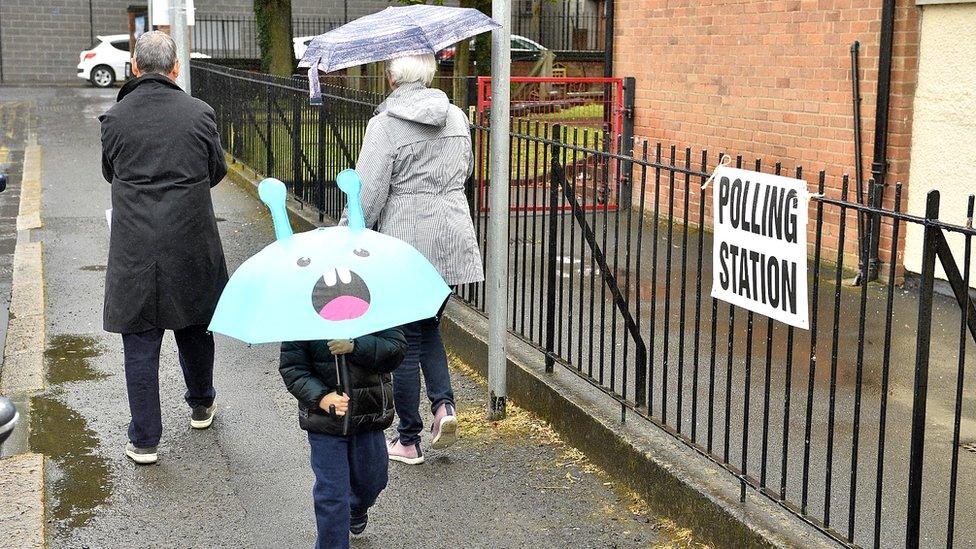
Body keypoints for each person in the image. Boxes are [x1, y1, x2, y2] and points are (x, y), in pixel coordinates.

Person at [341, 53, 484, 465]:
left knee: (401, 342)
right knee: (429, 328)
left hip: (406, 243)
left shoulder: (384, 126)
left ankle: (408, 439)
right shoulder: (456, 116)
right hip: (451, 236)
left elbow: (366, 194)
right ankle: (444, 408)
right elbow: (466, 169)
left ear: (390, 77)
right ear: (430, 74)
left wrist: (346, 232)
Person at [100, 31, 228, 465]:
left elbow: (109, 172)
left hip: (135, 244)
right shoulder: (200, 114)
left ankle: (145, 439)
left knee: (139, 339)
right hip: (190, 237)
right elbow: (216, 170)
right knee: (195, 326)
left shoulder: (115, 118)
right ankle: (201, 403)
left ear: (134, 67)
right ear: (175, 69)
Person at [279, 331, 406, 548]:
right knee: (332, 496)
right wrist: (321, 398)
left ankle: (356, 507)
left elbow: (395, 351)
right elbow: (293, 369)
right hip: (325, 424)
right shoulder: (302, 317)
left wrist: (355, 346)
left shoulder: (374, 306)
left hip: (368, 417)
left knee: (372, 481)